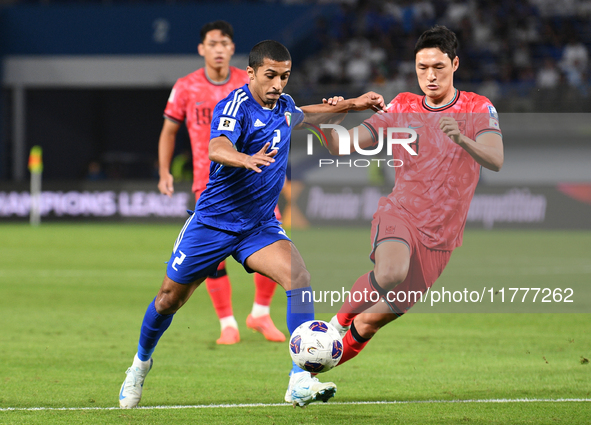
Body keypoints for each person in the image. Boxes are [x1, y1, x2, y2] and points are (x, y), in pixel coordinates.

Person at [119, 39, 385, 409]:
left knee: (298, 276)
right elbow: (216, 147)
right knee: (168, 300)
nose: (278, 84)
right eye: (271, 76)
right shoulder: (235, 106)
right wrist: (244, 159)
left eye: (285, 77)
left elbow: (307, 115)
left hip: (258, 226)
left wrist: (354, 103)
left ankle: (299, 380)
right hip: (213, 222)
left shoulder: (284, 106)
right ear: (252, 73)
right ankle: (139, 366)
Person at [323, 26, 504, 366]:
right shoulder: (402, 105)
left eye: (438, 67)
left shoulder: (477, 107)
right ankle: (332, 326)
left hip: (441, 239)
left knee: (370, 321)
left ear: (455, 64)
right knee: (390, 272)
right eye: (422, 68)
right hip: (401, 214)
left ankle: (306, 375)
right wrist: (327, 116)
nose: (430, 76)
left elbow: (495, 159)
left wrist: (462, 139)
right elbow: (341, 145)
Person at [157, 21, 284, 345]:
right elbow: (169, 130)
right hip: (209, 182)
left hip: (256, 179)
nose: (218, 49)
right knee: (212, 257)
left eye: (224, 44)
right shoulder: (186, 87)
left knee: (275, 239)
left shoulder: (253, 83)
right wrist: (164, 171)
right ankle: (227, 322)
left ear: (232, 49)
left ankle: (260, 312)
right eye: (212, 43)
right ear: (202, 49)